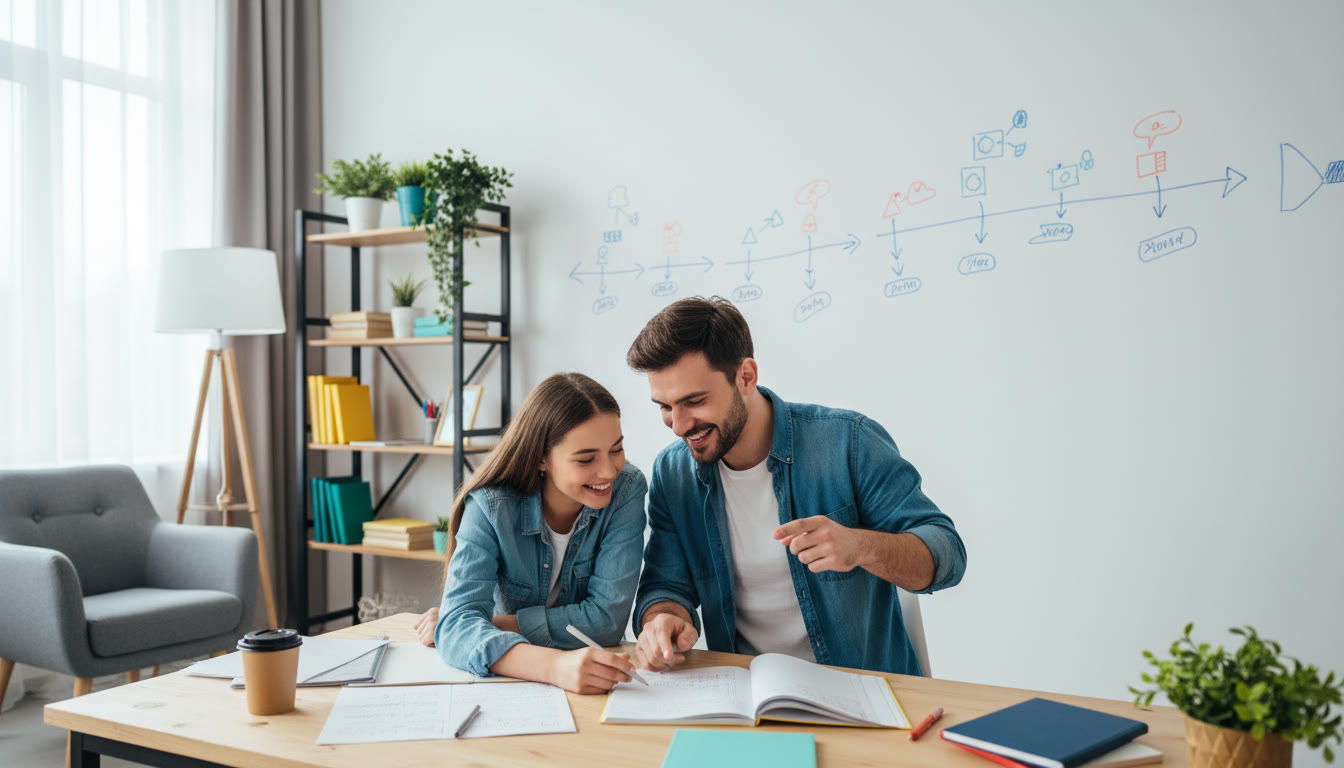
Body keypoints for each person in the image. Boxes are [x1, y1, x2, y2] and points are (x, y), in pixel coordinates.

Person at [626, 297, 966, 677]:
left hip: (861, 693)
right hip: (749, 697)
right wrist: (662, 619)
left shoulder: (848, 443)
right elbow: (665, 585)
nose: (678, 425)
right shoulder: (673, 473)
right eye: (665, 407)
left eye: (694, 401)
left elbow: (947, 553)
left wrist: (860, 546)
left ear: (746, 376)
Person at [410, 373, 647, 694]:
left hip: (590, 678)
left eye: (616, 449)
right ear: (541, 458)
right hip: (512, 685)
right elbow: (455, 628)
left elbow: (606, 620)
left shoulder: (627, 490)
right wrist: (551, 666)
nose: (608, 471)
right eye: (587, 458)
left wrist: (490, 624)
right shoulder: (490, 506)